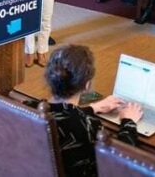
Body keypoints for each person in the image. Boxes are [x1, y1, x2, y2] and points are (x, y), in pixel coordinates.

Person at [39, 45, 142, 176]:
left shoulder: (29, 107)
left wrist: (92, 108)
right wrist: (129, 122)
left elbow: (62, 114)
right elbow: (117, 161)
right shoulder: (87, 126)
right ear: (87, 85)